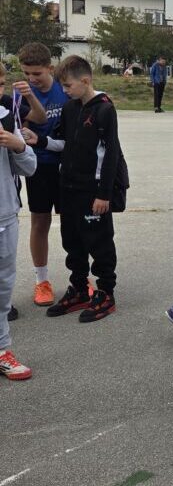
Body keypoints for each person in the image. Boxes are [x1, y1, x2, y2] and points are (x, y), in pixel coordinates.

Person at [24, 56, 126, 322]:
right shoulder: (71, 108)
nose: (65, 91)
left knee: (99, 241)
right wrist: (41, 140)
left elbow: (111, 154)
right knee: (72, 240)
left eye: (68, 86)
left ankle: (105, 292)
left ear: (85, 80)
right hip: (67, 187)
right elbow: (64, 144)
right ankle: (79, 288)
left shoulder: (104, 109)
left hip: (92, 190)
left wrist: (104, 194)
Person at [17, 42, 66, 307]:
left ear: (50, 67)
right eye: (26, 73)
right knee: (40, 222)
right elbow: (27, 123)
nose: (31, 79)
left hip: (66, 164)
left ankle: (80, 277)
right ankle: (42, 280)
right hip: (37, 165)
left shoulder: (64, 88)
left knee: (72, 222)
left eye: (37, 73)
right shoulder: (20, 95)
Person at [0, 73, 38, 380]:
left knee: (2, 287)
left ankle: (2, 350)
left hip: (4, 217)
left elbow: (29, 167)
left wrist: (18, 146)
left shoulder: (5, 119)